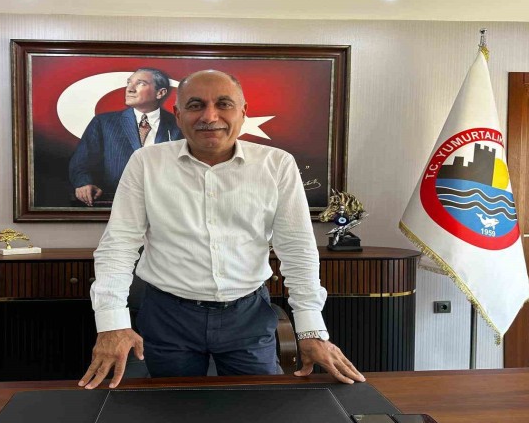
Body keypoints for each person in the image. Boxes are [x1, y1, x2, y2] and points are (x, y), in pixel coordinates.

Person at [79, 70, 365, 389]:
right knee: (169, 409)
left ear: (243, 112)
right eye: (196, 105)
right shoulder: (146, 162)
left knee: (261, 408)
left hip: (248, 316)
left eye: (224, 104)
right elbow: (119, 245)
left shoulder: (277, 165)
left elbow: (297, 249)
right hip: (168, 316)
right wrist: (111, 323)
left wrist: (311, 329)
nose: (210, 116)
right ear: (178, 114)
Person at [68, 67, 183, 206]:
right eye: (129, 83)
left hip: (166, 205)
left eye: (140, 83)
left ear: (160, 93)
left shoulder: (179, 125)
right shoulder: (103, 123)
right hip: (115, 203)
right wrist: (84, 183)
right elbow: (81, 163)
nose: (130, 89)